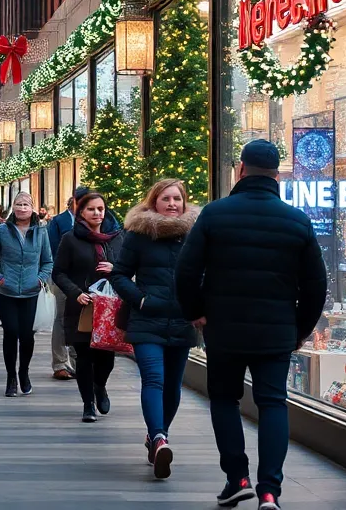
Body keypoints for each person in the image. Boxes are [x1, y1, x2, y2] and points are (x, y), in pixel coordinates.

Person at [176, 140, 327, 510]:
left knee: (225, 399)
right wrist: (300, 328)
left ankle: (237, 478)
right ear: (276, 175)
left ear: (241, 169)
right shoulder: (297, 220)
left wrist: (195, 310)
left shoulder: (214, 214)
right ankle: (270, 490)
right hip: (276, 331)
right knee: (273, 402)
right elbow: (316, 285)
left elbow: (186, 270)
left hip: (224, 328)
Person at [110, 179, 199, 479]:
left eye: (177, 199)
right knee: (154, 379)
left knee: (173, 386)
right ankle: (160, 437)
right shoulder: (138, 234)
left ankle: (157, 437)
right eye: (166, 199)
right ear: (154, 202)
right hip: (147, 319)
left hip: (183, 320)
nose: (172, 204)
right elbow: (120, 274)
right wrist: (141, 300)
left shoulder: (195, 234)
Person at [53, 191, 125, 422]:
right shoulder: (70, 239)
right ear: (81, 212)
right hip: (83, 305)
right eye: (91, 209)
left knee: (106, 358)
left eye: (100, 209)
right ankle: (87, 405)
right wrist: (76, 293)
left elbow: (127, 269)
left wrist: (114, 269)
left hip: (109, 306)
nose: (97, 213)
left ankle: (99, 386)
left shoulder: (116, 238)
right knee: (83, 355)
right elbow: (59, 272)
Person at [0, 192, 53, 397]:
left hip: (31, 292)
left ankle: (24, 372)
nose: (22, 208)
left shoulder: (41, 232)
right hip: (6, 291)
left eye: (26, 204)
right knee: (11, 332)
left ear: (32, 208)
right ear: (13, 207)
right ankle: (11, 377)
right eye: (18, 204)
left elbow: (48, 261)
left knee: (27, 335)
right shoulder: (2, 230)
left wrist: (40, 279)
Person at [46, 195, 79, 381]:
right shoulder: (58, 221)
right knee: (60, 319)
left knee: (81, 320)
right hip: (63, 277)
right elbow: (52, 249)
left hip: (86, 280)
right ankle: (59, 363)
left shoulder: (98, 221)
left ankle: (77, 362)